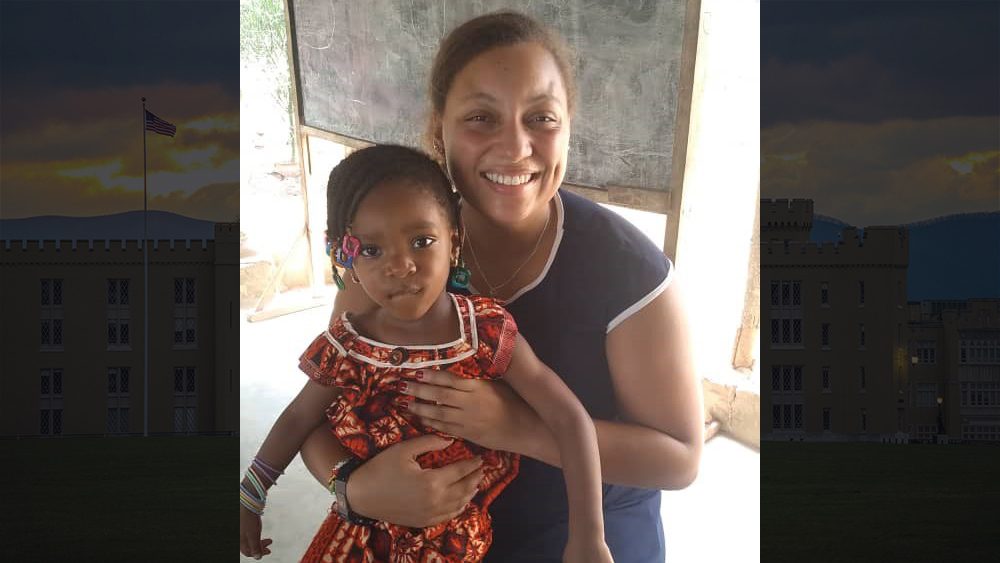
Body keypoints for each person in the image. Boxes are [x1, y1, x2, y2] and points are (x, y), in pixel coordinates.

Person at [299, 11, 704, 563]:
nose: (515, 147)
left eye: (541, 117)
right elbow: (319, 407)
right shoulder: (391, 252)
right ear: (438, 127)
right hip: (421, 538)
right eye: (481, 118)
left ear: (568, 126)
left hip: (586, 536)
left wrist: (519, 428)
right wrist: (354, 488)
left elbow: (679, 459)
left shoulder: (627, 271)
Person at [238, 144, 613, 563]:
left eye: (421, 240)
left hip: (453, 548)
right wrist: (250, 496)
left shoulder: (483, 335)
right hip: (358, 539)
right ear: (345, 257)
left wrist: (588, 537)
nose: (400, 266)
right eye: (372, 250)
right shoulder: (347, 346)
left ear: (454, 241)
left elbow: (569, 417)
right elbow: (297, 418)